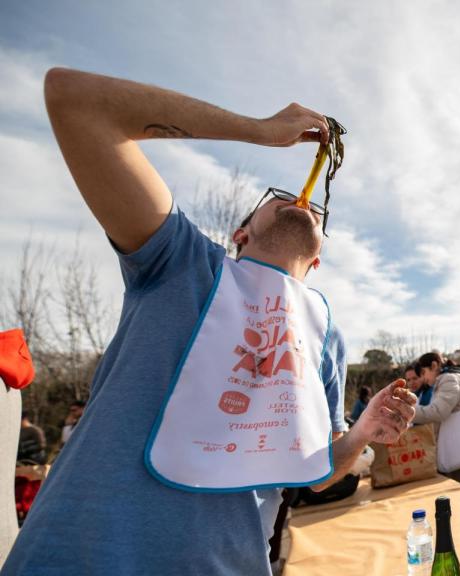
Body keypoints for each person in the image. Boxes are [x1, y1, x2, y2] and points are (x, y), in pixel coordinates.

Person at [3, 68, 418, 576]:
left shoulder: (325, 335)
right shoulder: (179, 261)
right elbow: (74, 99)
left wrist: (363, 432)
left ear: (317, 263)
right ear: (240, 236)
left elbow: (313, 472)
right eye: (274, 200)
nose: (296, 199)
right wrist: (260, 130)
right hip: (75, 559)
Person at [413, 352, 460, 489]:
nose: (423, 378)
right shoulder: (451, 378)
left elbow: (438, 411)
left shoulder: (449, 379)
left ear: (434, 365)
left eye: (424, 373)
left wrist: (409, 411)